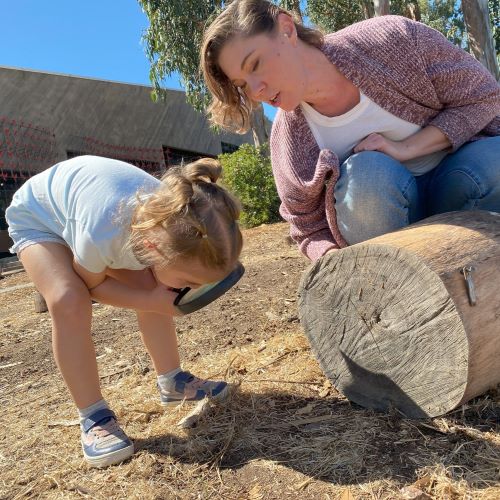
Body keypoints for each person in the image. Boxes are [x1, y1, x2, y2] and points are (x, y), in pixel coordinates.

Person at [200, 0, 500, 261]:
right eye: (241, 85)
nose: (255, 90)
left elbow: (483, 96)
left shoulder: (391, 40)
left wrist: (406, 149)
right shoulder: (290, 137)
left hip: (459, 187)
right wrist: (334, 263)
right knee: (366, 173)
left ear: (287, 29)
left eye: (255, 64)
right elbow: (306, 227)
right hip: (391, 240)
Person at [5, 155, 242, 467]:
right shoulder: (101, 234)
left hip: (94, 214)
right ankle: (93, 415)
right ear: (155, 248)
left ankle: (172, 381)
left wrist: (161, 291)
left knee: (157, 285)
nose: (192, 288)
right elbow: (91, 286)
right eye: (190, 282)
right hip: (40, 219)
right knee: (68, 299)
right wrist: (152, 301)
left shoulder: (179, 218)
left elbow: (158, 276)